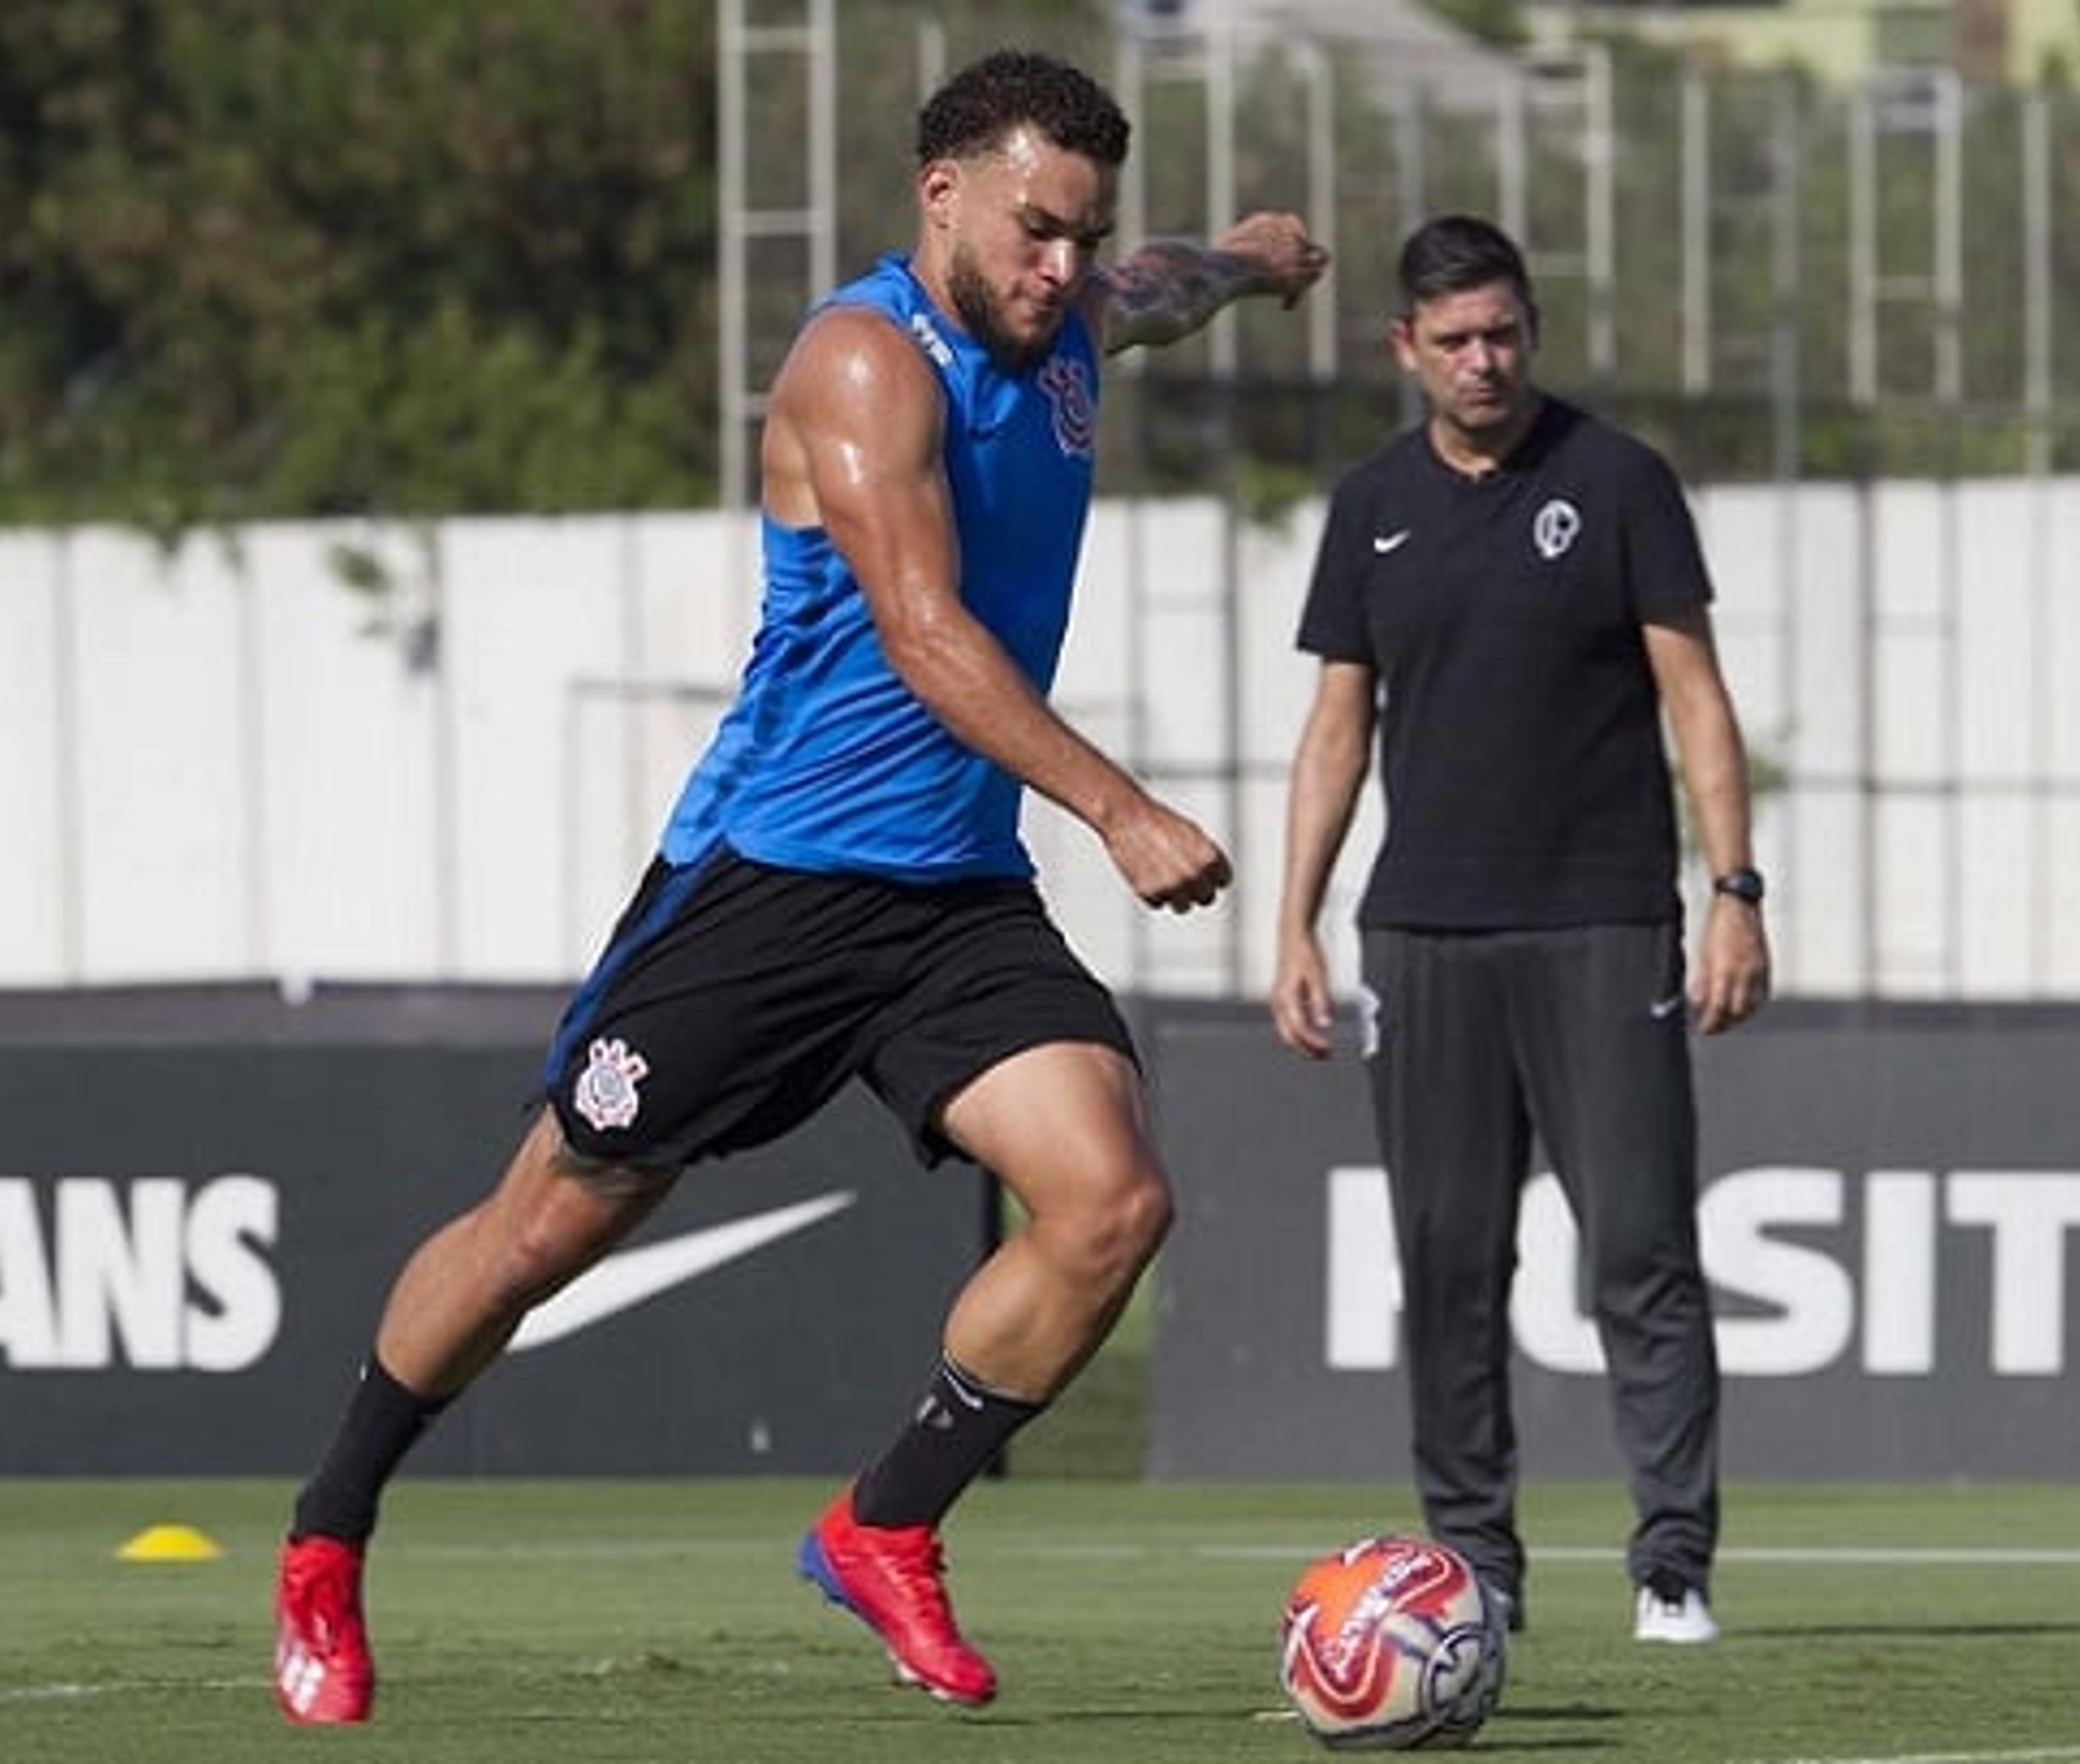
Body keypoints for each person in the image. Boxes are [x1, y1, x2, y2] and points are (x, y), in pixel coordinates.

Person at [272, 48, 1328, 1724]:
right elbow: (923, 637)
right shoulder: (861, 363)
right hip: (769, 886)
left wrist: (1255, 261)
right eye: (1036, 230)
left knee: (1113, 1201)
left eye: (1083, 235)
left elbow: (1157, 288)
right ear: (944, 193)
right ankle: (328, 1536)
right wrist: (1119, 811)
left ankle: (883, 1523)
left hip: (953, 900)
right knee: (548, 1224)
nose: (1062, 268)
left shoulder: (1069, 328)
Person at [1268, 214, 1766, 1648]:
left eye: (1505, 332)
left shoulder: (1617, 482)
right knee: (1447, 1262)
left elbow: (1699, 701)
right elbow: (1336, 728)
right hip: (1422, 937)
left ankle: (1673, 1558)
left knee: (1640, 1251)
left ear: (1531, 329)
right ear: (1405, 349)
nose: (1485, 360)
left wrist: (1734, 889)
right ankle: (1473, 1562)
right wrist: (1296, 920)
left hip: (1603, 923)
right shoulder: (1370, 506)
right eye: (1456, 340)